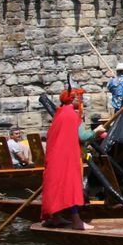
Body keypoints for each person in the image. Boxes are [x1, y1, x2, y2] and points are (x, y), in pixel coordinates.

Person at [41, 88, 105, 230]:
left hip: (55, 157)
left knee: (56, 185)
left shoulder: (60, 113)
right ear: (73, 99)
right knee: (71, 187)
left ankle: (56, 217)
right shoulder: (72, 115)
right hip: (66, 159)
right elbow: (82, 136)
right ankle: (76, 221)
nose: (82, 100)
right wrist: (96, 131)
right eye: (80, 98)